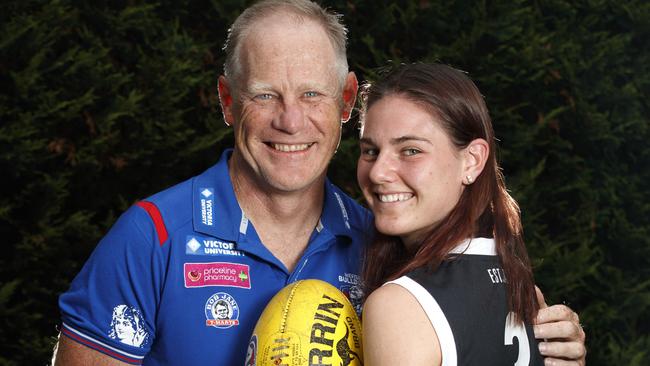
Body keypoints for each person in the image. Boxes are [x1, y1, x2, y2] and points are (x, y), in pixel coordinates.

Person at [52, 1, 585, 365]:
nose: (290, 120)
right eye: (264, 95)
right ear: (227, 102)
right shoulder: (152, 238)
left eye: (312, 95)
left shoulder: (380, 241)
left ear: (347, 101)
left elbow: (467, 321)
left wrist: (555, 342)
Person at [357, 62, 585, 365]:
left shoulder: (399, 305)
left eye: (410, 150)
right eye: (370, 151)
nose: (378, 172)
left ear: (472, 161)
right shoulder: (525, 291)